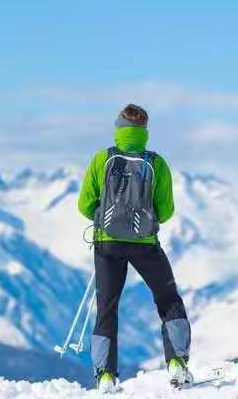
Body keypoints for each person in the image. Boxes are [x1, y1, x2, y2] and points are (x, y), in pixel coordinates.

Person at [78, 104, 192, 393]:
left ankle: (105, 376)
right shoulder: (156, 163)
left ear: (119, 128)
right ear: (144, 131)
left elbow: (84, 205)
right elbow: (165, 211)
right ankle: (177, 362)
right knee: (167, 299)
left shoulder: (102, 159)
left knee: (107, 307)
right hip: (145, 245)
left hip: (107, 243)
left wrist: (104, 218)